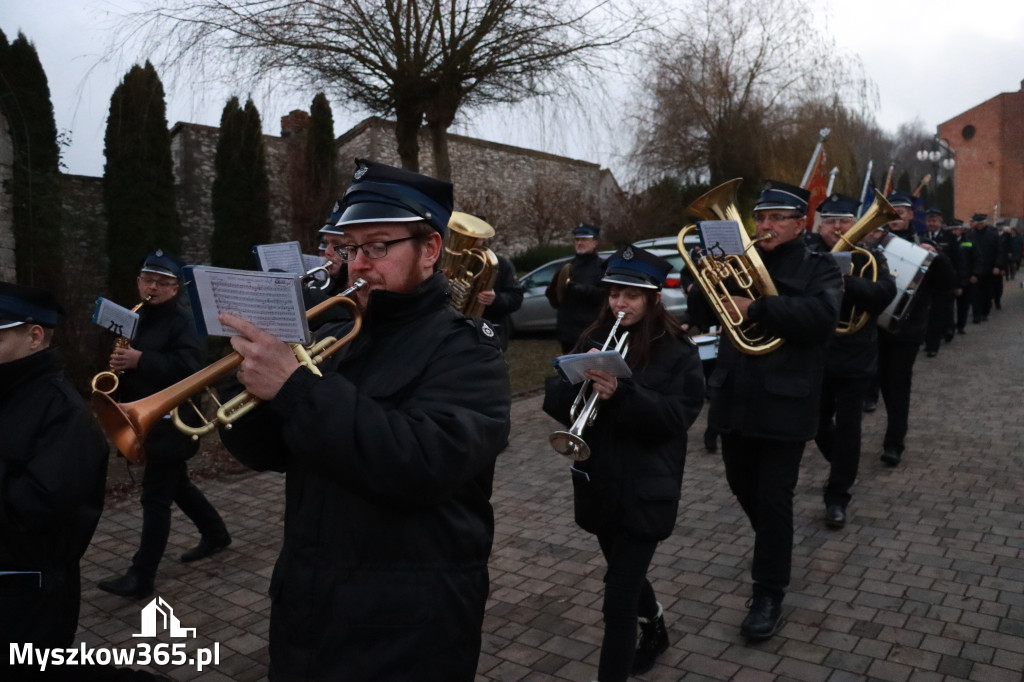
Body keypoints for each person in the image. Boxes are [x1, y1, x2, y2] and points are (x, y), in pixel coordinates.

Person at [217, 159, 511, 681]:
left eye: (377, 246)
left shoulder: (469, 352)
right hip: (309, 608)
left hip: (406, 628)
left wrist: (295, 388)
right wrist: (241, 381)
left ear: (430, 250)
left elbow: (422, 463)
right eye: (350, 249)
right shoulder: (334, 335)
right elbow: (269, 454)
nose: (357, 265)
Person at [685, 180, 843, 641]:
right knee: (742, 486)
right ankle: (775, 544)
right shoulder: (733, 261)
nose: (766, 226)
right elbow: (704, 312)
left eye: (777, 218)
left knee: (774, 499)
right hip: (736, 395)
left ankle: (769, 591)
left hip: (786, 403)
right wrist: (703, 277)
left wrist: (756, 307)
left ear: (800, 223)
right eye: (761, 217)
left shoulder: (820, 267)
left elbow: (820, 320)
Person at [543, 246, 705, 680]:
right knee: (622, 575)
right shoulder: (593, 338)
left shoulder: (678, 351)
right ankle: (654, 624)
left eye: (631, 295)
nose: (619, 304)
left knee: (616, 602)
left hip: (645, 490)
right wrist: (570, 384)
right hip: (599, 484)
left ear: (652, 298)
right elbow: (555, 397)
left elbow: (676, 418)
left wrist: (623, 394)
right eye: (614, 293)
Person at [98, 250, 231, 600]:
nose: (152, 287)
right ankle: (216, 534)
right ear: (138, 281)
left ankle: (142, 575)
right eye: (147, 280)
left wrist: (141, 360)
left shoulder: (184, 323)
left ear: (176, 288)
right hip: (143, 416)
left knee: (155, 499)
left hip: (173, 422)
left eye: (162, 282)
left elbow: (191, 368)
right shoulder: (134, 317)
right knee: (178, 485)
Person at [0, 283, 109, 660]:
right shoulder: (9, 390)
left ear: (34, 336)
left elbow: (35, 514)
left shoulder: (65, 414)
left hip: (28, 593)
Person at [805, 194, 896, 529]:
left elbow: (885, 294)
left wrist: (846, 283)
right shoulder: (806, 254)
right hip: (816, 354)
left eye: (844, 221)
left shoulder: (869, 256)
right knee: (815, 423)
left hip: (856, 356)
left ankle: (837, 495)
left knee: (849, 427)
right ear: (819, 225)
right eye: (830, 221)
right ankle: (845, 464)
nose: (838, 227)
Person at [871, 194, 956, 466]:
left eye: (901, 212)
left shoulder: (925, 245)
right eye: (891, 211)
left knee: (897, 387)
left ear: (910, 216)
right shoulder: (872, 241)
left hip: (905, 330)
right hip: (870, 327)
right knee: (862, 381)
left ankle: (894, 442)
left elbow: (948, 284)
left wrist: (938, 259)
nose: (895, 216)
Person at [548, 222, 607, 353]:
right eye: (577, 239)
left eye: (584, 239)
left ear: (595, 243)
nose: (579, 243)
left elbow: (605, 295)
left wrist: (581, 289)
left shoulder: (602, 267)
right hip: (567, 331)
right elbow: (556, 296)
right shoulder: (567, 266)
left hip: (589, 331)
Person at [922, 208, 961, 355]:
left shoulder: (949, 237)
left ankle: (934, 345)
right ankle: (929, 340)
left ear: (940, 222)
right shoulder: (921, 236)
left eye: (934, 221)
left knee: (940, 312)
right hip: (925, 281)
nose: (931, 223)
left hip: (944, 281)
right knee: (927, 314)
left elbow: (957, 260)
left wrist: (958, 283)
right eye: (929, 221)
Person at [967, 213, 1004, 323]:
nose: (979, 225)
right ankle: (976, 315)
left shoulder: (993, 235)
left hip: (989, 269)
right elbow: (965, 249)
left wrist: (997, 266)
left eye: (981, 223)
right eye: (977, 223)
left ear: (985, 223)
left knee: (987, 293)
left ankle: (985, 312)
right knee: (975, 294)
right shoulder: (969, 236)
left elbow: (1000, 252)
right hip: (975, 270)